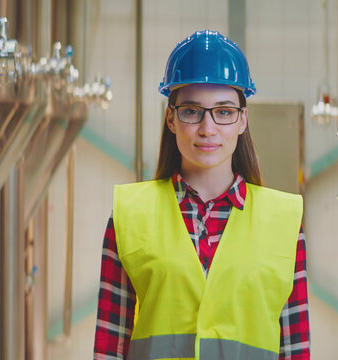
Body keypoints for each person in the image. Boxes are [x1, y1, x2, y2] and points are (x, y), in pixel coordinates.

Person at [94, 30, 310, 360]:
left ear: (242, 120)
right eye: (192, 111)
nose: (207, 128)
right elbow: (109, 344)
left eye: (224, 111)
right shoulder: (129, 214)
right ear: (171, 118)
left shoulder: (285, 220)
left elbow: (296, 350)